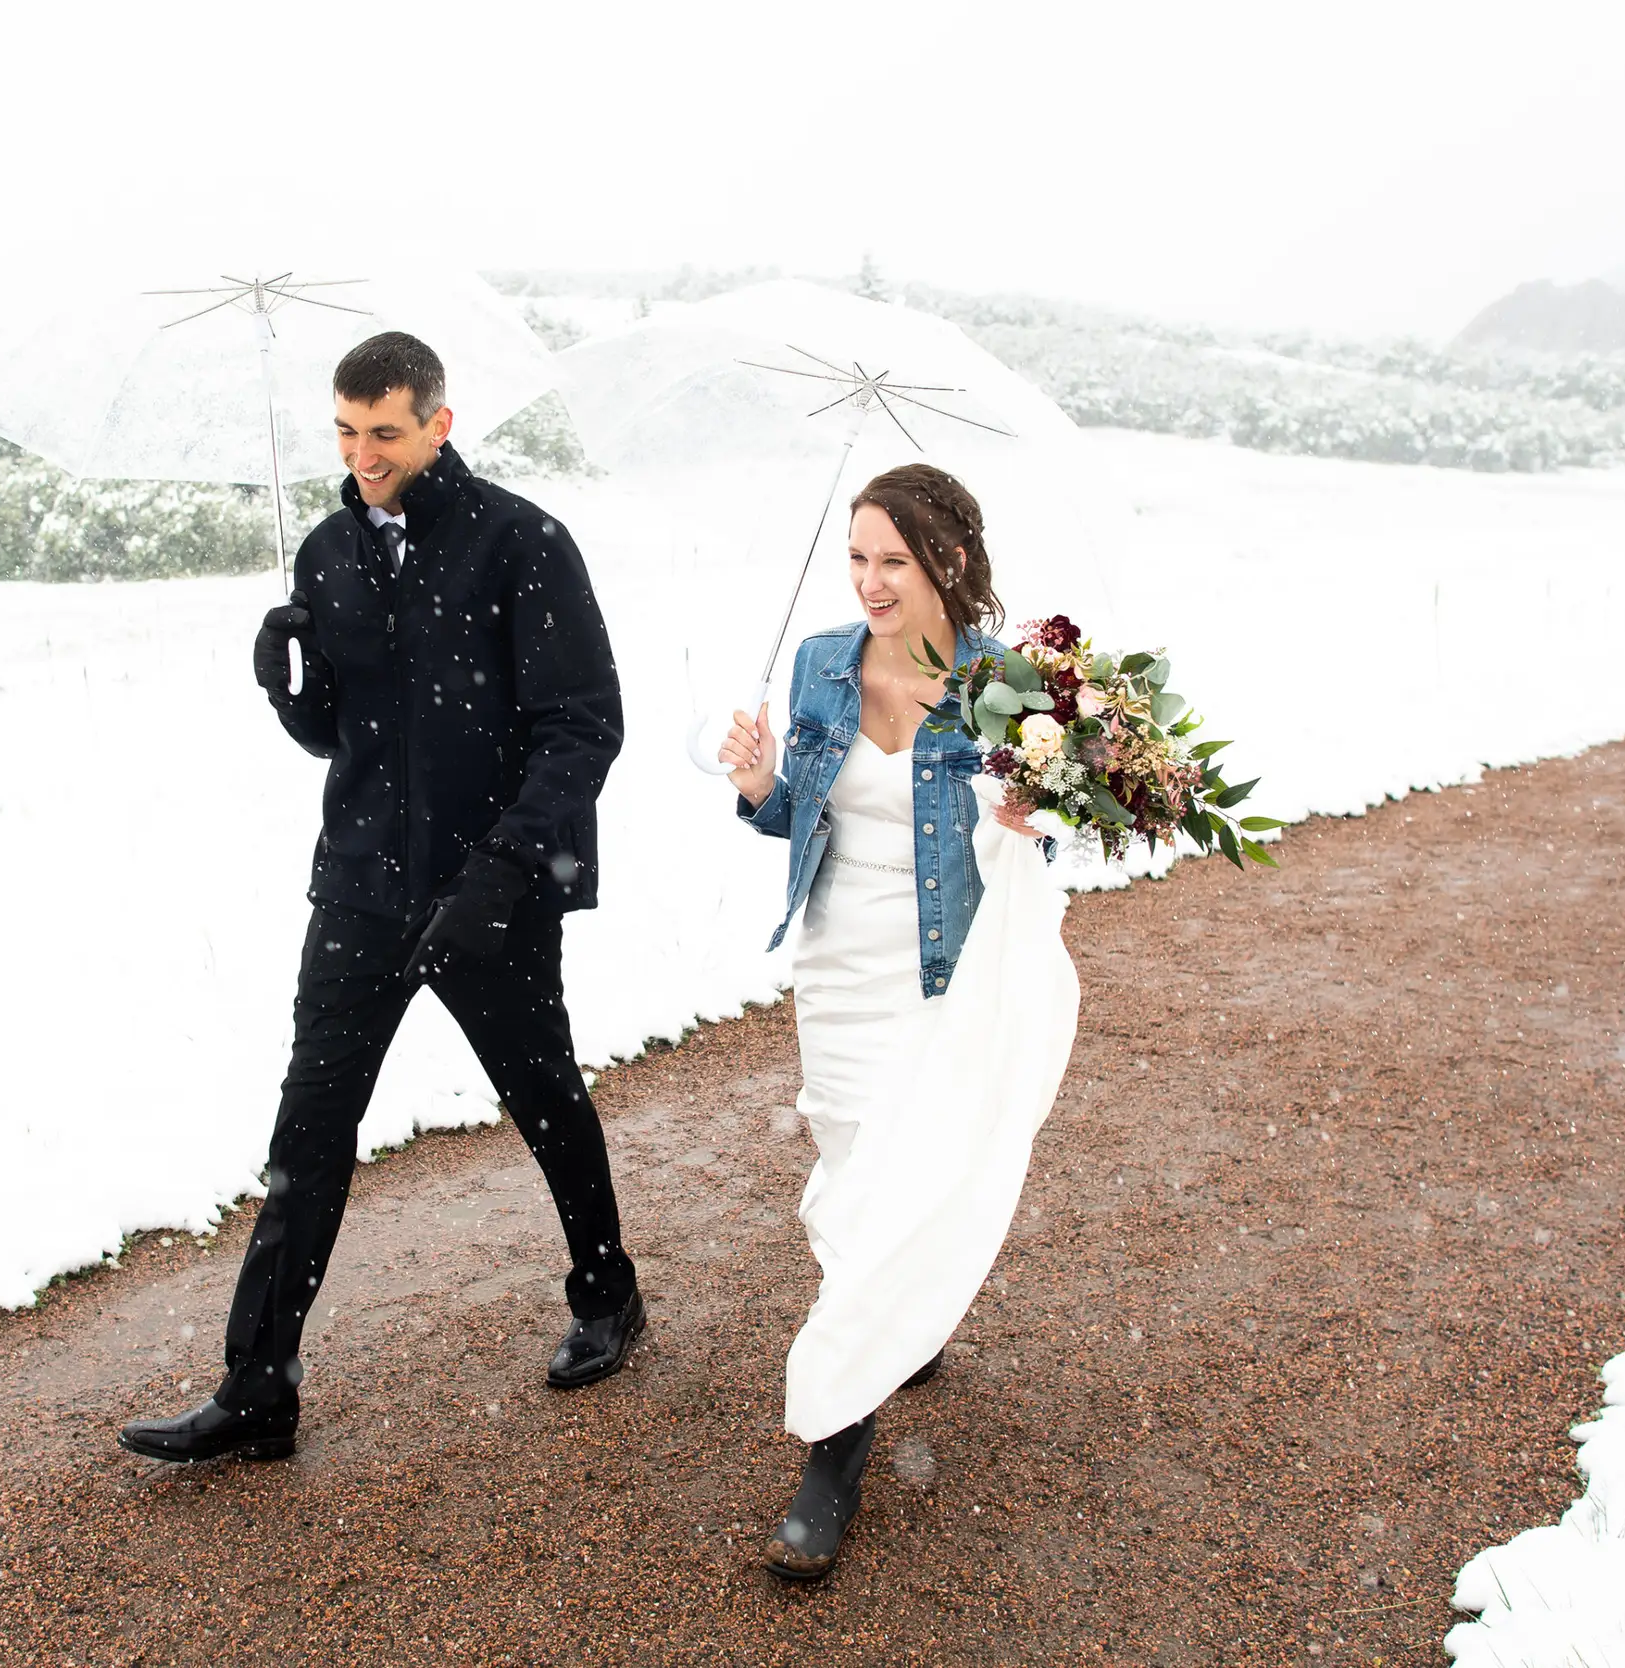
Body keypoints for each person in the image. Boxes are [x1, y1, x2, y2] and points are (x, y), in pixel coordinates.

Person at [120, 331, 645, 1465]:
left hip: (492, 889)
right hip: (358, 887)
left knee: (542, 1094)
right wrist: (287, 691)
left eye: (386, 434)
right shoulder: (325, 554)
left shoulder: (522, 544)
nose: (363, 455)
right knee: (308, 1129)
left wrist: (502, 873)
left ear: (438, 425)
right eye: (348, 433)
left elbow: (583, 727)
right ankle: (257, 1383)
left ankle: (608, 1292)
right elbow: (343, 736)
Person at [719, 463, 1064, 1581]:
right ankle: (898, 1315)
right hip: (835, 968)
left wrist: (1025, 818)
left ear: (946, 564)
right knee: (856, 1167)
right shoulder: (822, 662)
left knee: (877, 1194)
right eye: (857, 558)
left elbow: (1036, 839)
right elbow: (797, 819)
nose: (869, 581)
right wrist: (762, 782)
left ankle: (832, 1451)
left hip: (938, 974)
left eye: (892, 562)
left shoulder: (1003, 685)